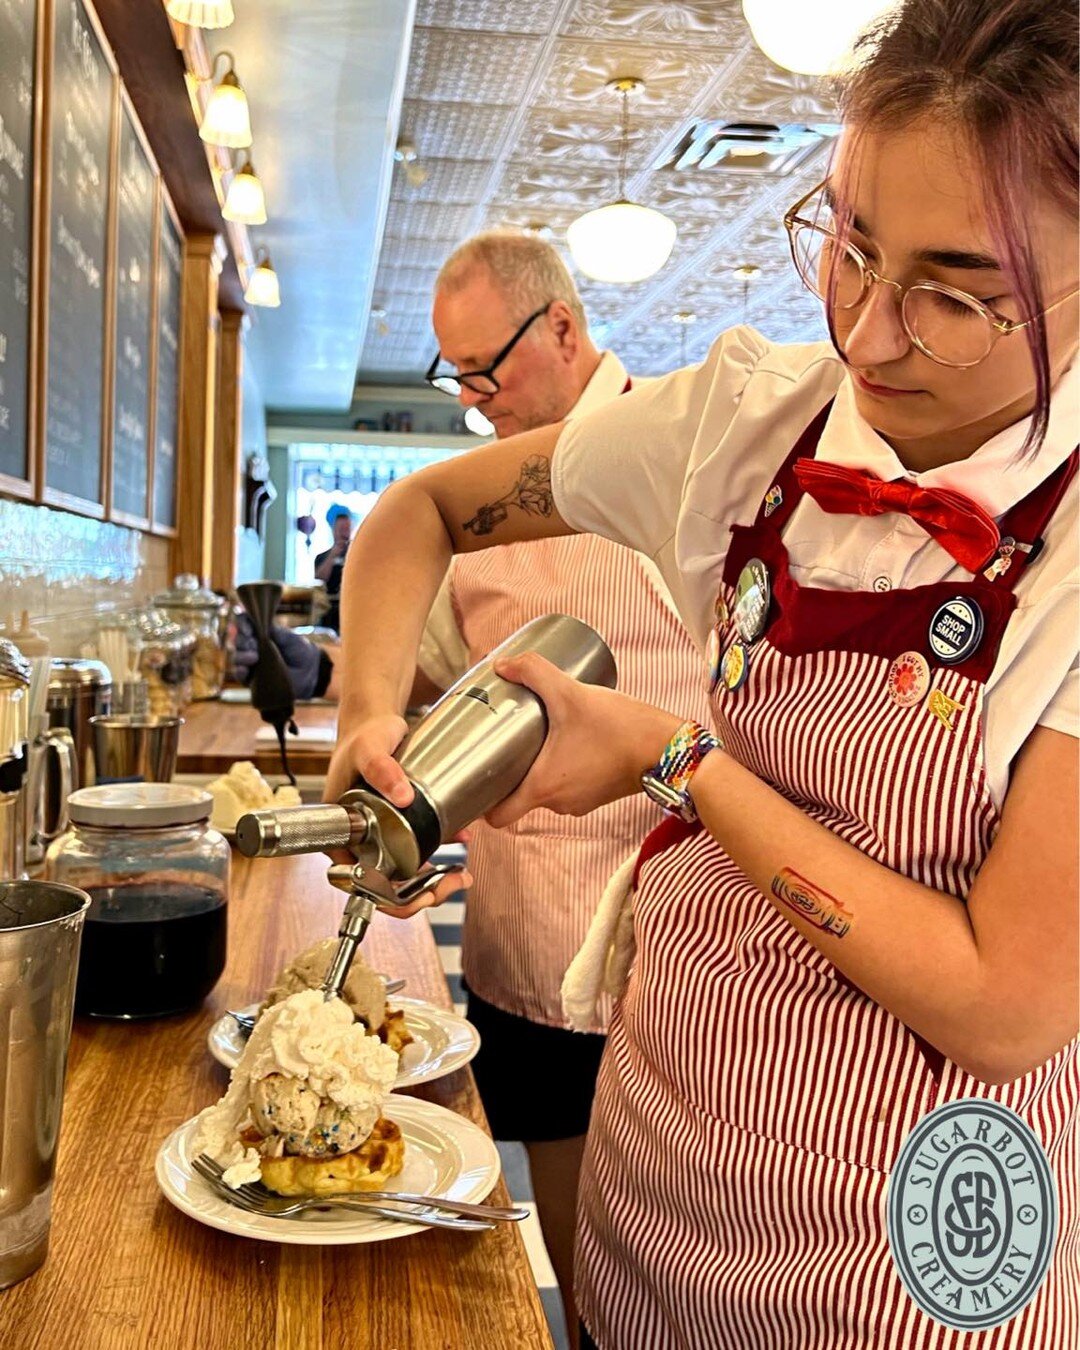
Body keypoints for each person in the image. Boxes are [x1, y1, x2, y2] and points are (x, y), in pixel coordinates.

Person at [327, 2, 1079, 1344]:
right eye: (849, 245)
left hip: (903, 1262)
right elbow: (417, 517)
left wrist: (675, 758)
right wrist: (372, 709)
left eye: (957, 293)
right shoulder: (752, 420)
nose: (871, 333)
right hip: (658, 1172)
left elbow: (1002, 1002)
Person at [406, 231, 709, 1345]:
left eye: (486, 372)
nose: (475, 403)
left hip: (678, 948)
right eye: (458, 379)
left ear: (565, 331)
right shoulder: (466, 511)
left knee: (682, 1267)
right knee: (582, 1274)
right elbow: (431, 684)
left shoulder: (690, 458)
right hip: (526, 942)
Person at [314, 505, 354, 632]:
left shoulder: (356, 556)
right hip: (329, 613)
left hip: (351, 609)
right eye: (341, 529)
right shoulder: (322, 557)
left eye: (347, 529)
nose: (344, 532)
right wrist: (333, 555)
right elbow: (320, 578)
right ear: (333, 530)